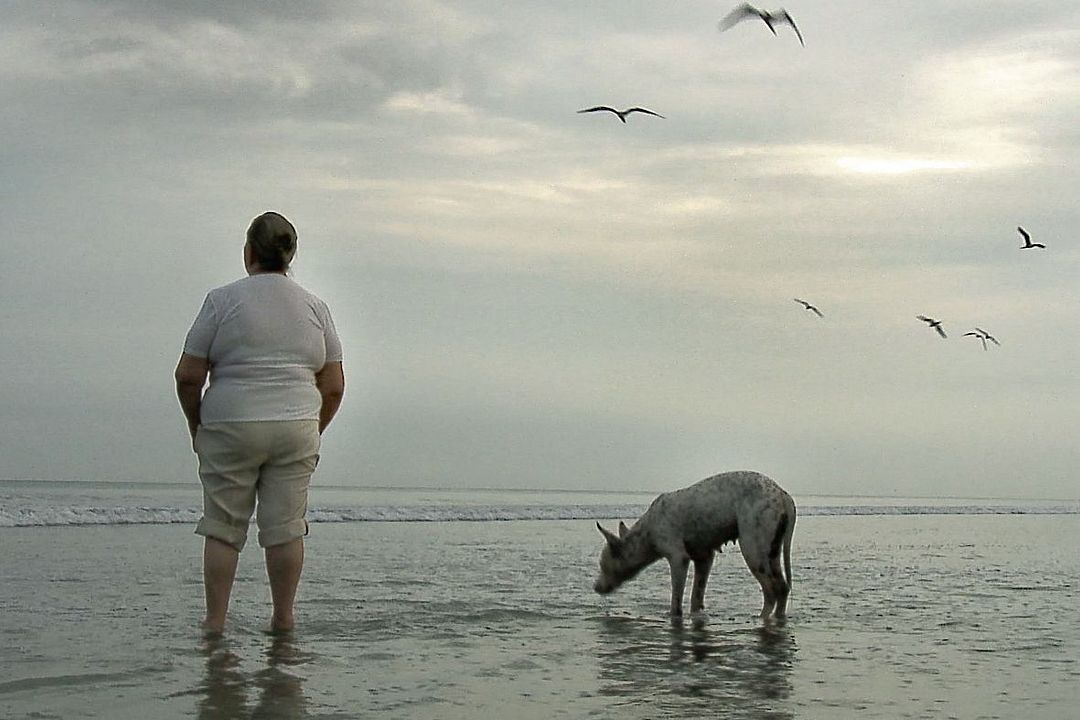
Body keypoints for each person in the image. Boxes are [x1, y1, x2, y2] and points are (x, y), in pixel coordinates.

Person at [175, 211, 345, 634]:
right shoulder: (315, 307)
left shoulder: (222, 301)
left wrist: (196, 425)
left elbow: (188, 375)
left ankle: (215, 622)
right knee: (286, 528)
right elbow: (334, 384)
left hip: (230, 423)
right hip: (295, 426)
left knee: (223, 526)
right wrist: (313, 428)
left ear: (248, 251)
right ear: (290, 256)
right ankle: (283, 618)